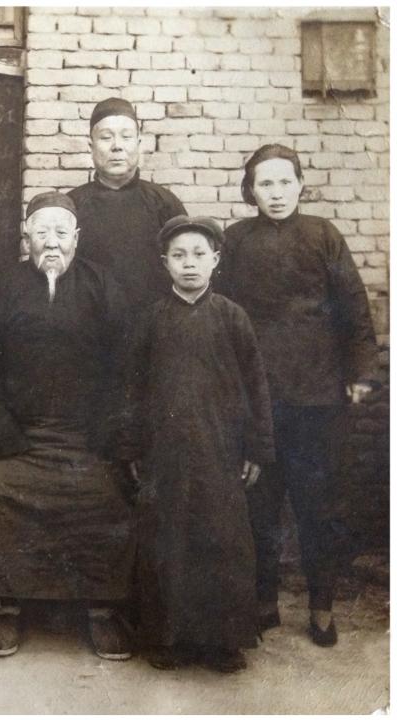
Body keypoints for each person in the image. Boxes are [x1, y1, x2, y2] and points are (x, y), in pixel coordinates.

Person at [0, 190, 134, 660]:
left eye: (60, 232)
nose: (51, 242)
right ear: (26, 239)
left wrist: (104, 440)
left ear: (77, 237)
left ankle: (101, 610)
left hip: (86, 439)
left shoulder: (102, 285)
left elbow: (124, 368)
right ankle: (8, 607)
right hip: (20, 437)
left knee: (107, 493)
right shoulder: (5, 287)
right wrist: (8, 437)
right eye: (41, 232)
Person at [218, 144, 379, 647]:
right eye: (265, 184)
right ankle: (263, 602)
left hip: (317, 398)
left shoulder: (323, 236)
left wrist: (360, 374)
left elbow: (354, 308)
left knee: (318, 506)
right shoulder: (235, 241)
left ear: (300, 185)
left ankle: (321, 607)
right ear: (251, 191)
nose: (276, 193)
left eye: (285, 182)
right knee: (258, 506)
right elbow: (221, 314)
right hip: (258, 399)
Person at [121, 216, 275, 673]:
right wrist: (132, 447)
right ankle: (166, 638)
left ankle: (223, 642)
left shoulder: (232, 316)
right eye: (179, 255)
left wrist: (256, 448)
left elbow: (257, 386)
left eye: (199, 255)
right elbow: (131, 390)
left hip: (220, 448)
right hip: (164, 451)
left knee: (222, 539)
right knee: (166, 540)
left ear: (216, 260)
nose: (189, 264)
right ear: (164, 262)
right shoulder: (151, 319)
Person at [69, 97, 186, 321]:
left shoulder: (165, 203)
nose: (117, 146)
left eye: (126, 136)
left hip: (154, 325)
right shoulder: (72, 205)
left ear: (139, 144)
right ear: (91, 146)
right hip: (88, 326)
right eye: (106, 137)